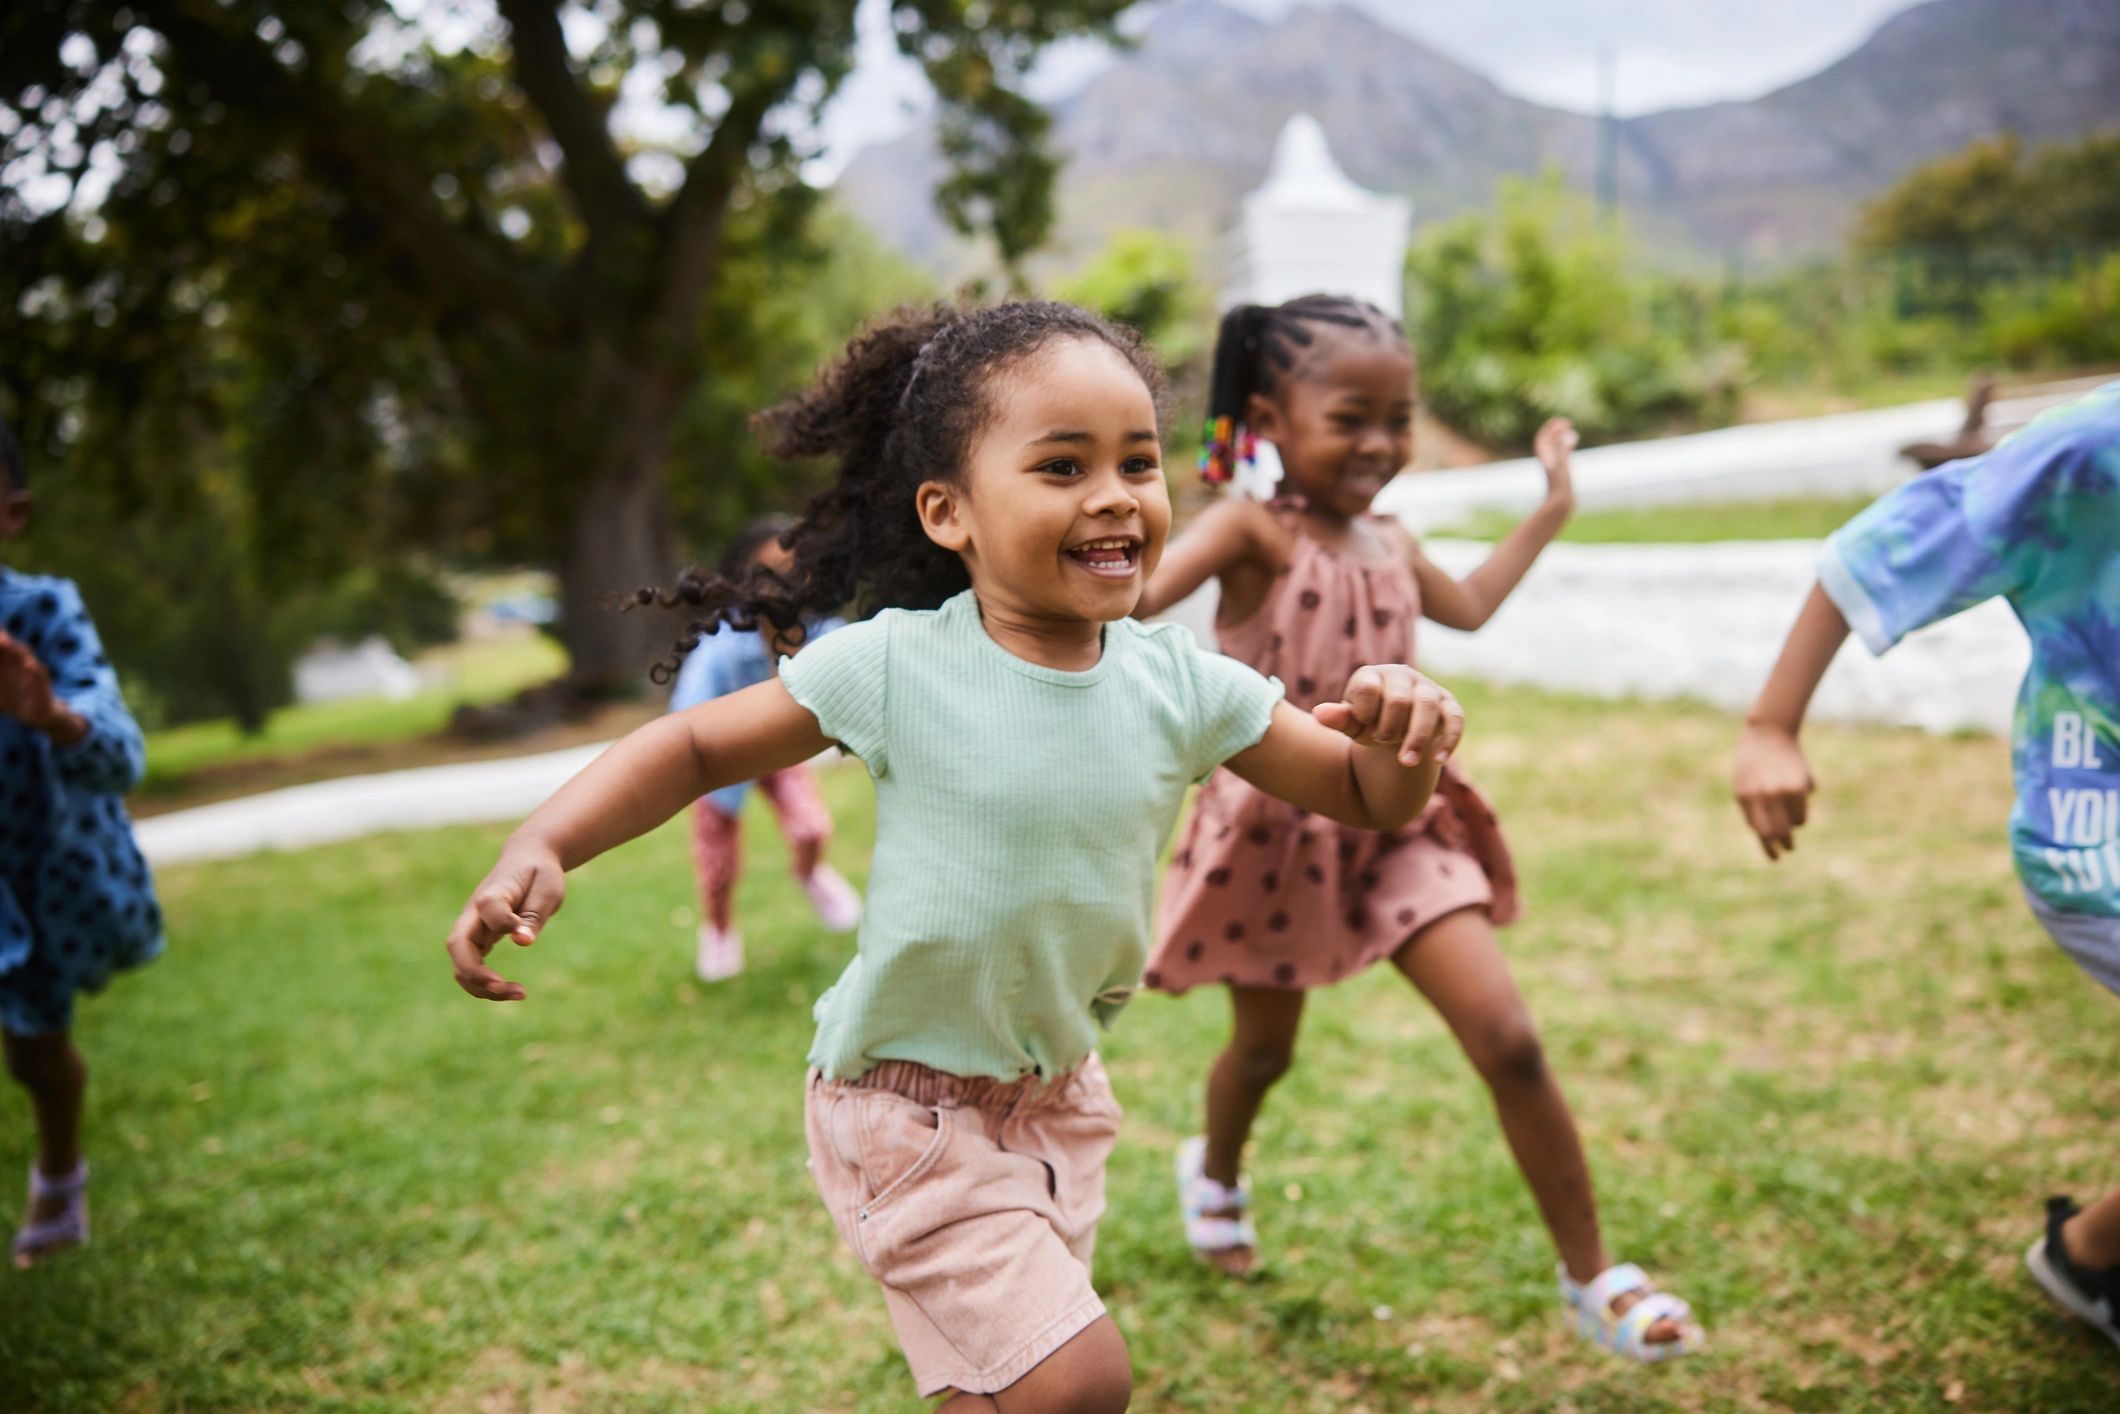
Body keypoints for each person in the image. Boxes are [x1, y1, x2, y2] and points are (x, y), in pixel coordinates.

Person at [443, 301, 1466, 1410]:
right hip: (904, 1108)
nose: (1115, 494)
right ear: (948, 512)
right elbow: (693, 744)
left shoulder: (1182, 683)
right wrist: (544, 838)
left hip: (1056, 1098)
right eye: (1062, 466)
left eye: (1137, 460)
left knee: (995, 1395)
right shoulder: (898, 667)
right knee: (1080, 1378)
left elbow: (1365, 796)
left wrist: (1401, 736)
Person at [1135, 295, 1693, 1361]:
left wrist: (1550, 507)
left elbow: (1470, 604)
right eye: (1352, 417)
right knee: (1260, 1054)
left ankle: (1592, 1276)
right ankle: (1212, 1172)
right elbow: (1138, 597)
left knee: (1511, 1040)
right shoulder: (1249, 527)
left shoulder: (1389, 537)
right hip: (1276, 829)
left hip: (1400, 822)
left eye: (1399, 418)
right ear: (1269, 415)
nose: (1381, 444)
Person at [1735, 379, 2120, 1351]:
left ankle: (2088, 1254)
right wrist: (1768, 725)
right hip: (2093, 827)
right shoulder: (2081, 453)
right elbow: (1878, 549)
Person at [0, 413, 164, 1267]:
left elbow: (121, 752)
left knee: (32, 1053)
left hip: (36, 878)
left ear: (12, 513)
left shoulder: (41, 613)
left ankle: (59, 1171)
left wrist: (50, 715)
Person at [667, 515, 860, 982]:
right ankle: (718, 931)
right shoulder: (722, 643)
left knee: (811, 828)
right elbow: (686, 713)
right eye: (768, 572)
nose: (784, 583)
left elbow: (853, 680)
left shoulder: (823, 633)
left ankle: (810, 874)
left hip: (777, 756)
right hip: (721, 763)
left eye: (795, 569)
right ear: (743, 580)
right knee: (718, 864)